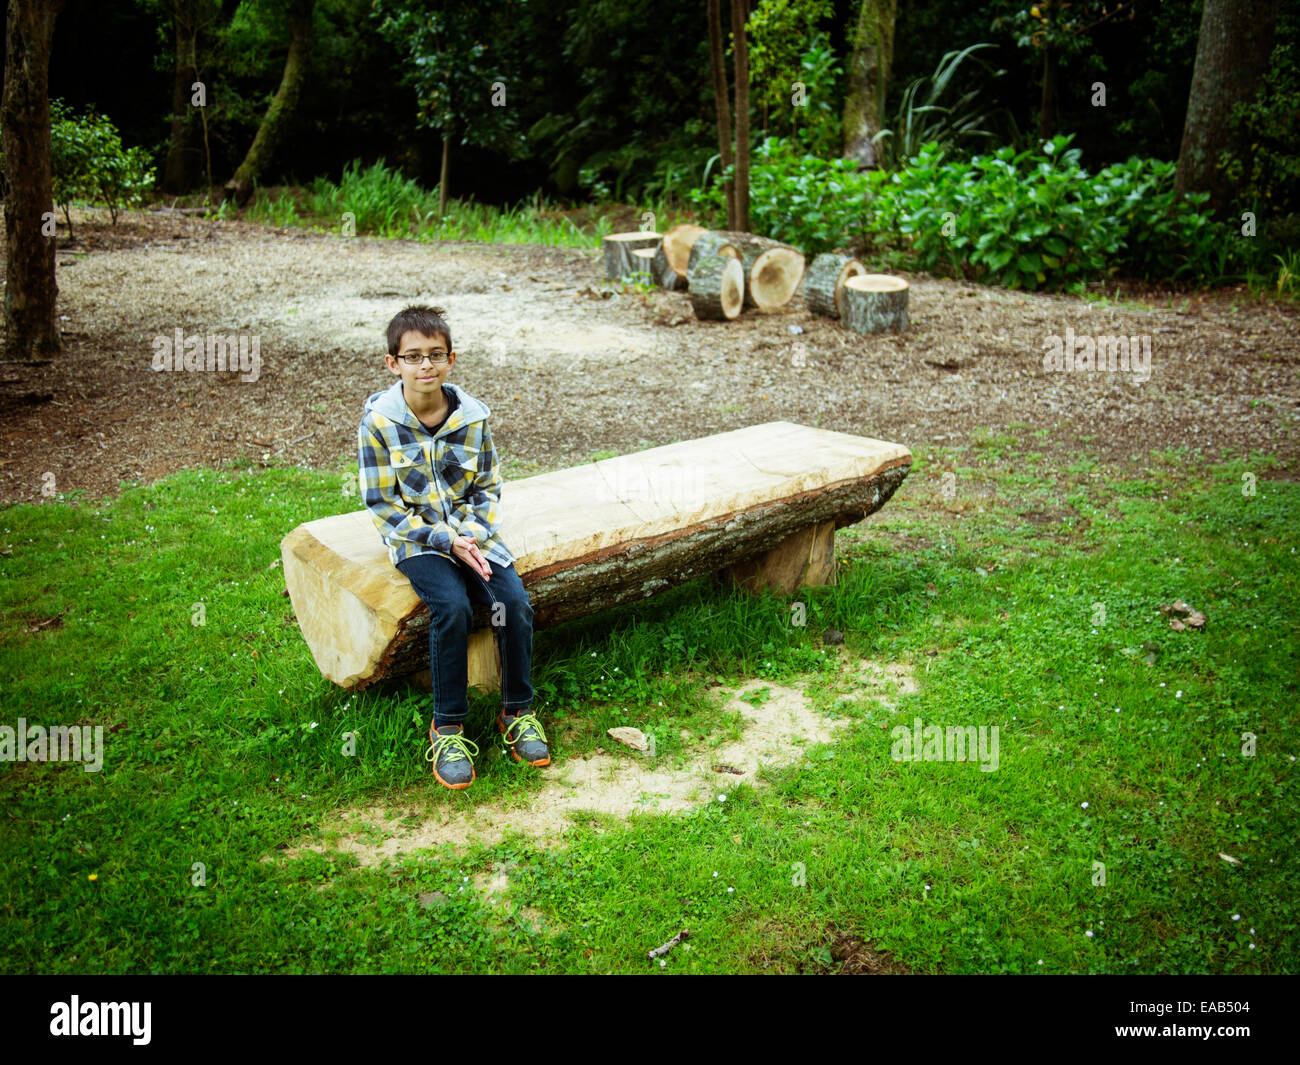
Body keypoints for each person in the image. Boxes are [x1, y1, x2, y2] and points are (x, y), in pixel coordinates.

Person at [357, 305, 548, 790]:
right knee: (452, 606)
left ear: (451, 359)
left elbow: (487, 487)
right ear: (392, 363)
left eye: (435, 355)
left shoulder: (473, 418)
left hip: (474, 534)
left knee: (513, 603)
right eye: (413, 357)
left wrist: (469, 536)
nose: (426, 366)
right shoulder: (379, 423)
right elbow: (382, 504)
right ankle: (448, 726)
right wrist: (445, 540)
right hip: (417, 539)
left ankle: (517, 710)